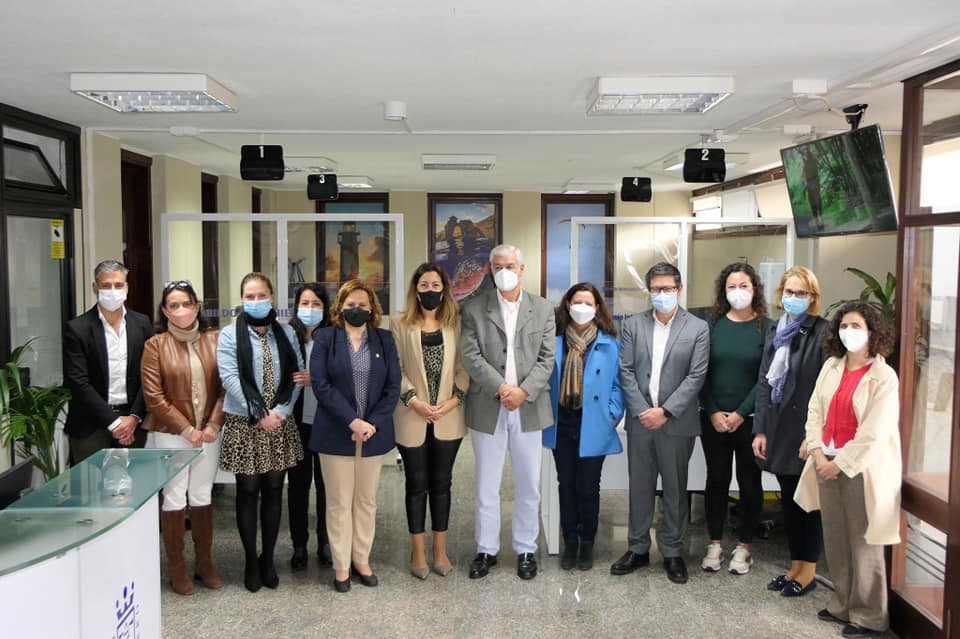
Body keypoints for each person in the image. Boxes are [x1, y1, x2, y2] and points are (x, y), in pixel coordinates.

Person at [795, 303, 900, 637]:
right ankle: (842, 604)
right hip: (824, 462)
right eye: (843, 326)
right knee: (836, 539)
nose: (848, 332)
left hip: (859, 471)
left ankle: (869, 616)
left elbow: (875, 431)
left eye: (856, 326)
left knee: (864, 542)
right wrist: (817, 452)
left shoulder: (883, 376)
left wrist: (840, 464)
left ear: (873, 332)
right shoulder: (831, 366)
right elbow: (814, 410)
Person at [460, 244, 556, 581]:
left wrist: (523, 391)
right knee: (487, 484)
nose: (505, 271)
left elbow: (547, 359)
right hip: (489, 405)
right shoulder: (473, 308)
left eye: (511, 265)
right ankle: (486, 549)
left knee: (529, 483)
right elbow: (471, 356)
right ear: (490, 269)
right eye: (498, 265)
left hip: (529, 406)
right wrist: (502, 389)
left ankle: (526, 548)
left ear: (522, 268)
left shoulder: (543, 309)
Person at [611, 262, 709, 585]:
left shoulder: (697, 328)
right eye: (656, 289)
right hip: (641, 423)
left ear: (679, 290)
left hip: (677, 423)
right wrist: (643, 411)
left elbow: (696, 376)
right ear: (649, 291)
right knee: (639, 487)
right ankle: (637, 548)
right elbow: (625, 370)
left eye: (668, 289)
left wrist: (665, 411)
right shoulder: (634, 326)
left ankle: (672, 551)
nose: (662, 294)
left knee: (675, 490)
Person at [310, 280, 400, 593]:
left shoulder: (384, 340)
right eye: (350, 305)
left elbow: (392, 387)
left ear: (373, 308)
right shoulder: (325, 338)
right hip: (336, 433)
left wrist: (371, 423)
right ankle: (341, 565)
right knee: (338, 502)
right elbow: (321, 385)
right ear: (340, 307)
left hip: (374, 434)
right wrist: (352, 420)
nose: (356, 309)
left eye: (363, 305)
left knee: (366, 501)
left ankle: (362, 559)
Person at [217, 272, 304, 593]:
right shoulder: (228, 335)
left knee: (273, 491)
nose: (256, 301)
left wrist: (280, 412)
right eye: (249, 296)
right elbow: (229, 377)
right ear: (242, 300)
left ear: (272, 296)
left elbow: (296, 375)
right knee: (247, 492)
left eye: (261, 295)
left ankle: (268, 558)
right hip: (245, 423)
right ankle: (250, 562)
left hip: (279, 423)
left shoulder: (286, 333)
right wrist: (258, 413)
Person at [141, 280, 225, 595]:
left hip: (208, 433)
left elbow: (224, 389)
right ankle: (176, 568)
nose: (181, 310)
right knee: (175, 496)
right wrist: (186, 429)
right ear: (164, 311)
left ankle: (204, 564)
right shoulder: (155, 345)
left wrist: (213, 424)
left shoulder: (213, 341)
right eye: (173, 305)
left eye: (186, 304)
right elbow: (154, 396)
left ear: (197, 307)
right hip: (171, 434)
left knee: (202, 494)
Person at [753, 266, 829, 597]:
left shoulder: (824, 332)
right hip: (779, 430)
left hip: (805, 434)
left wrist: (812, 438)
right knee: (788, 502)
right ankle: (795, 567)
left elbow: (826, 391)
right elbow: (764, 383)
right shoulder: (776, 330)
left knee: (807, 504)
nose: (793, 298)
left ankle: (808, 572)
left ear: (812, 298)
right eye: (789, 292)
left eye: (801, 293)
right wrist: (760, 430)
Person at [392, 263, 469, 579]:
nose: (430, 290)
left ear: (444, 288)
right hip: (412, 415)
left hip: (449, 416)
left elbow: (465, 370)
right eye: (423, 285)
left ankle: (440, 550)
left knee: (442, 484)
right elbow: (395, 370)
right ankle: (418, 553)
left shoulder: (456, 323)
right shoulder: (399, 324)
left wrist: (451, 402)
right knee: (416, 484)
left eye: (435, 285)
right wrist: (415, 401)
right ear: (415, 289)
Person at [699, 263, 775, 575]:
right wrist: (714, 410)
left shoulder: (768, 328)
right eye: (731, 286)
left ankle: (745, 546)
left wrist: (741, 413)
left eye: (744, 285)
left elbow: (767, 376)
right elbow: (699, 372)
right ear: (722, 291)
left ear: (755, 289)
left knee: (749, 482)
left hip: (751, 420)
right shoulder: (710, 326)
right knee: (716, 480)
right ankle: (714, 543)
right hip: (713, 418)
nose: (737, 292)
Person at [542, 283, 624, 571]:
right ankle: (571, 542)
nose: (582, 307)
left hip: (595, 424)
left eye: (588, 303)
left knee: (589, 488)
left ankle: (587, 542)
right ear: (567, 305)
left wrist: (612, 414)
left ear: (598, 308)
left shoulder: (610, 343)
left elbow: (617, 385)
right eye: (577, 301)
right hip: (562, 423)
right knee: (566, 486)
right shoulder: (554, 341)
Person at [63, 260, 154, 464]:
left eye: (118, 285)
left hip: (133, 421)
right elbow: (78, 381)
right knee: (91, 491)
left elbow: (149, 375)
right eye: (106, 285)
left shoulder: (142, 324)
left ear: (127, 288)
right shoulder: (77, 328)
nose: (113, 290)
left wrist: (134, 417)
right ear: (95, 288)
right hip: (90, 424)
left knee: (133, 489)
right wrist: (113, 423)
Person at [287, 283, 333, 571]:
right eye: (305, 303)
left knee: (327, 487)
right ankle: (299, 545)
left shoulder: (333, 337)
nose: (311, 309)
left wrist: (316, 377)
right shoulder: (287, 336)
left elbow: (342, 376)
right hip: (296, 422)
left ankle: (326, 543)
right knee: (298, 487)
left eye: (316, 304)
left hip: (327, 422)